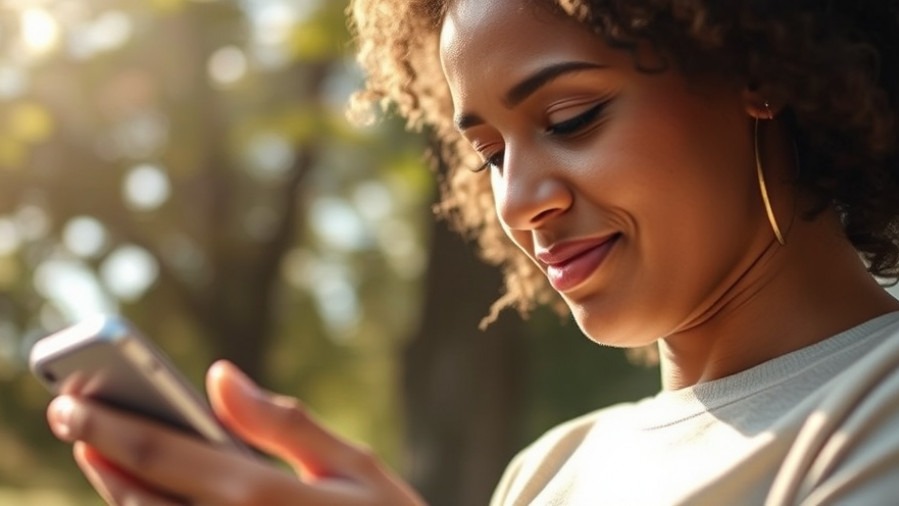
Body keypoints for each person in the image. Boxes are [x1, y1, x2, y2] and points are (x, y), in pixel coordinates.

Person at [43, 0, 899, 504]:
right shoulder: (547, 473)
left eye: (570, 119)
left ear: (758, 70)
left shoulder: (876, 401)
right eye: (489, 154)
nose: (519, 202)